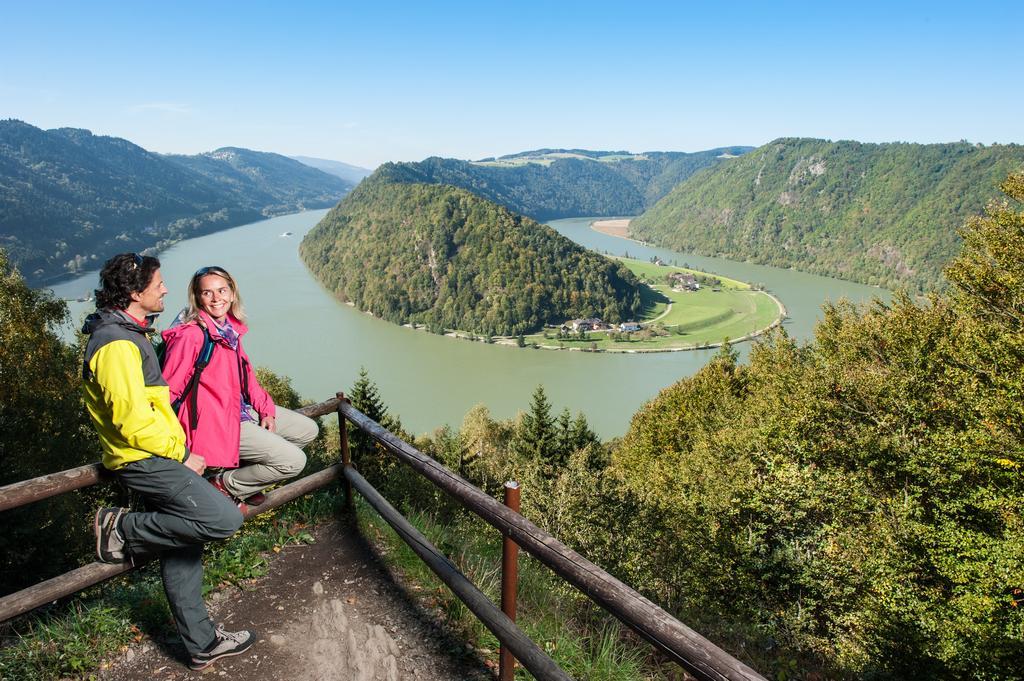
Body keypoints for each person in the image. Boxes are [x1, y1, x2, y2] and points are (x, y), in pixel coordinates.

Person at [83, 253, 256, 671]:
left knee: (184, 548)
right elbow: (130, 420)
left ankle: (202, 644)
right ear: (134, 291)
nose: (164, 288)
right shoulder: (116, 344)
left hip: (157, 454)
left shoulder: (129, 332)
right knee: (224, 519)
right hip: (144, 459)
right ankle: (120, 526)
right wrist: (181, 452)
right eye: (157, 283)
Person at [161, 265, 317, 511]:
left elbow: (245, 377)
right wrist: (172, 445)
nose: (216, 298)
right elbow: (166, 393)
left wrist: (266, 410)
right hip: (214, 423)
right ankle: (223, 485)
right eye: (207, 293)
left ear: (233, 293)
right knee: (293, 462)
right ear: (197, 298)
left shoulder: (228, 329)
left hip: (237, 410)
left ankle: (245, 481)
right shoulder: (191, 336)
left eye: (222, 290)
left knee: (306, 430)